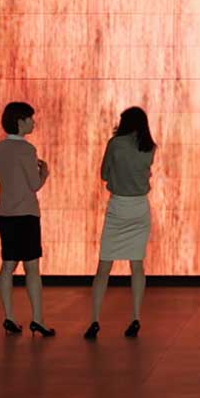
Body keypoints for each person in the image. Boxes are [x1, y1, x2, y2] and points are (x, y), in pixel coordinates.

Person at [84, 107, 158, 339]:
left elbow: (105, 174)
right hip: (140, 208)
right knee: (137, 265)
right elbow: (146, 175)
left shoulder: (115, 144)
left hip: (118, 208)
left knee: (104, 267)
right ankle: (136, 317)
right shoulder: (150, 147)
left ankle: (95, 319)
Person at [0, 101, 55, 336]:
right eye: (30, 119)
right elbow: (34, 184)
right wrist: (44, 172)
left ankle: (9, 316)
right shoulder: (27, 150)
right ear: (20, 122)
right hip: (26, 214)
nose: (33, 122)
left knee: (8, 266)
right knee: (32, 268)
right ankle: (38, 319)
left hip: (5, 213)